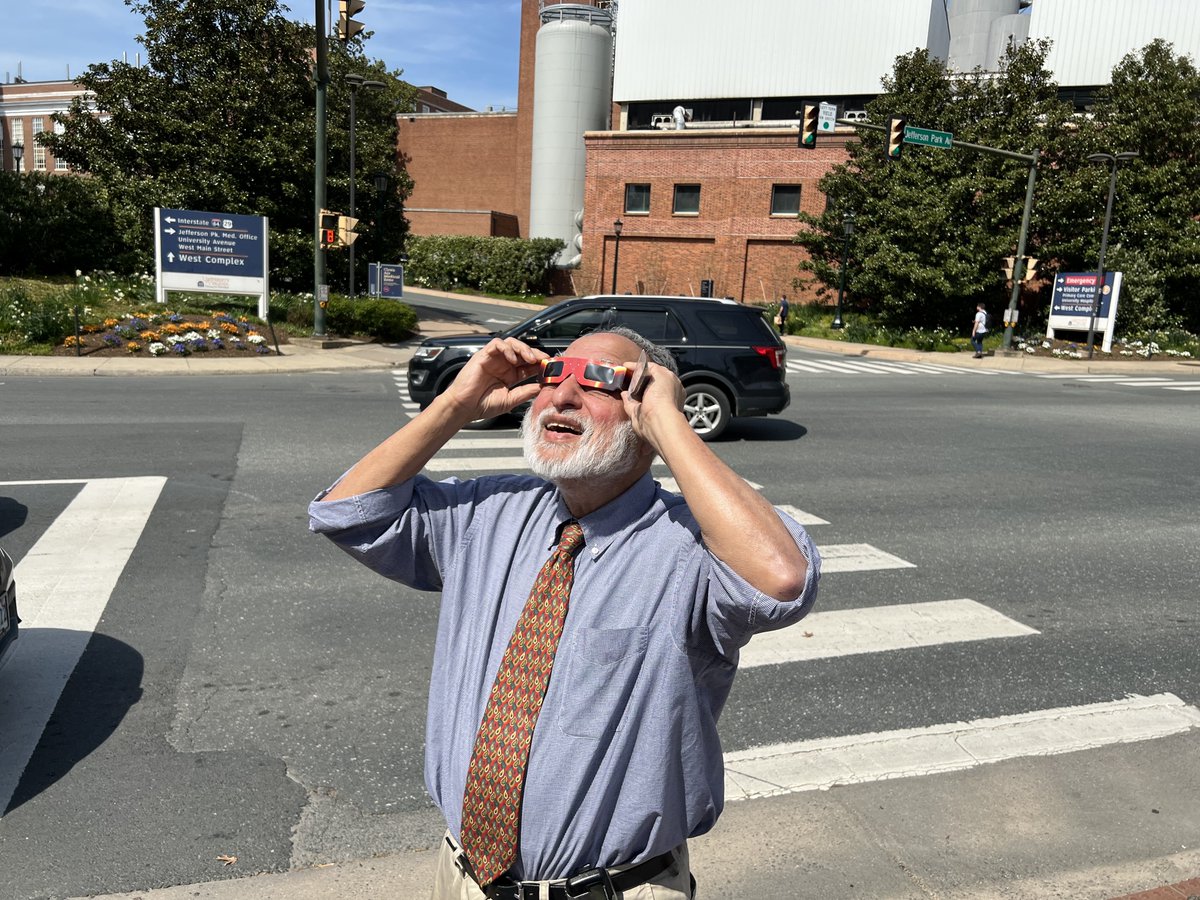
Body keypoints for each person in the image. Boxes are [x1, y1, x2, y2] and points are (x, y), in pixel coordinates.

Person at [309, 326, 820, 899]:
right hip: (461, 880)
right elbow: (346, 513)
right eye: (554, 375)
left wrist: (671, 426)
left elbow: (781, 580)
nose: (562, 396)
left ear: (647, 409)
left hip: (612, 889)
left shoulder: (690, 546)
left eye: (600, 382)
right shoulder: (490, 513)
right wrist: (456, 403)